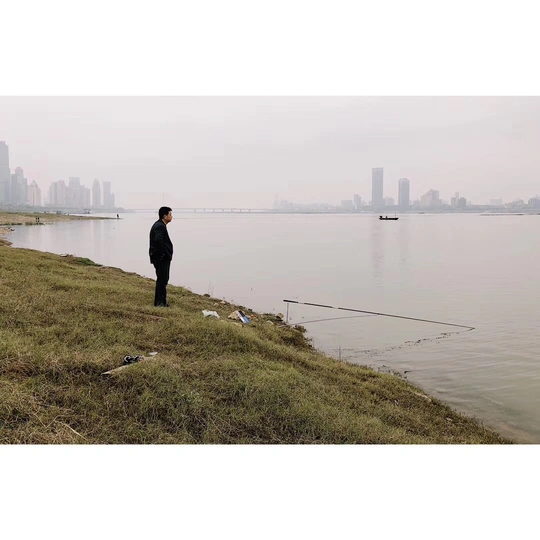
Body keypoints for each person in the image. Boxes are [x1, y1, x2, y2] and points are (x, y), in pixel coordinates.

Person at [149, 206, 174, 307]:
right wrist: (163, 255)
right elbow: (158, 241)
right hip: (161, 258)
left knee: (163, 279)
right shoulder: (159, 226)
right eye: (170, 214)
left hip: (161, 257)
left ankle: (162, 302)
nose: (171, 216)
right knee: (162, 280)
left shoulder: (160, 225)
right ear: (165, 216)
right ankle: (160, 303)